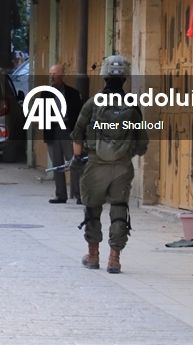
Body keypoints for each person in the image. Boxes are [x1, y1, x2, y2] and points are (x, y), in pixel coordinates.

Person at [70, 55, 148, 274]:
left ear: (103, 76)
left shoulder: (93, 103)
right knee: (119, 208)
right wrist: (128, 152)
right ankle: (115, 259)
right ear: (125, 78)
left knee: (92, 208)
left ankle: (93, 255)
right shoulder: (132, 105)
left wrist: (77, 160)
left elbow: (77, 134)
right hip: (122, 166)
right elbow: (142, 142)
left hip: (95, 164)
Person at [44, 64, 83, 204]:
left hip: (68, 129)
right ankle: (60, 194)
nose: (52, 76)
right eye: (50, 74)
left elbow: (79, 114)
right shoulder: (46, 93)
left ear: (62, 75)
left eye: (55, 74)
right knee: (57, 163)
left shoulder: (72, 93)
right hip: (53, 130)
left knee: (73, 162)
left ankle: (79, 194)